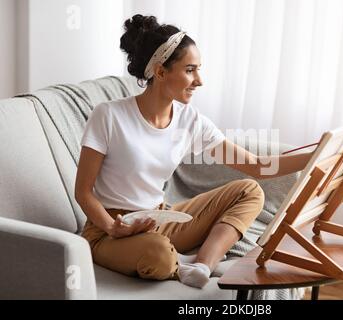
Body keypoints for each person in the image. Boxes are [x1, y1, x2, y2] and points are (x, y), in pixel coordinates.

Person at [75, 14, 313, 289]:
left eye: (198, 69)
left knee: (249, 191)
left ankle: (201, 265)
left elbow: (257, 166)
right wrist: (110, 226)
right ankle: (174, 259)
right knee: (159, 256)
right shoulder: (109, 116)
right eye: (190, 70)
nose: (199, 80)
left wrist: (314, 156)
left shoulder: (190, 120)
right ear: (161, 72)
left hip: (158, 218)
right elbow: (83, 191)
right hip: (109, 233)